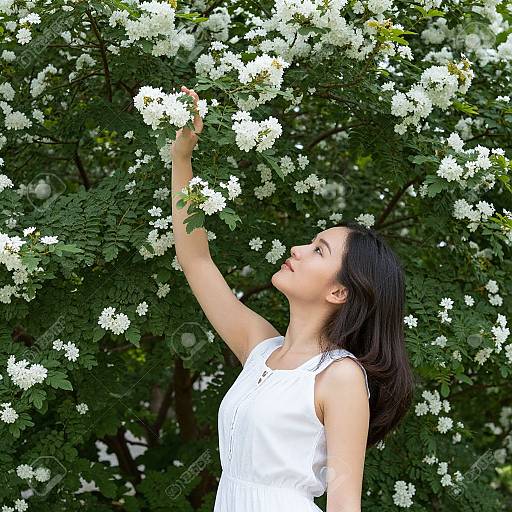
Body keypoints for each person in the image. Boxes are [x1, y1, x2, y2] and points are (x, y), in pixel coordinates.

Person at [171, 86, 415, 512]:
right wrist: (182, 158)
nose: (298, 249)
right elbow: (195, 259)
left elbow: (343, 505)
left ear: (340, 291)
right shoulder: (259, 348)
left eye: (319, 250)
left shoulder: (340, 377)